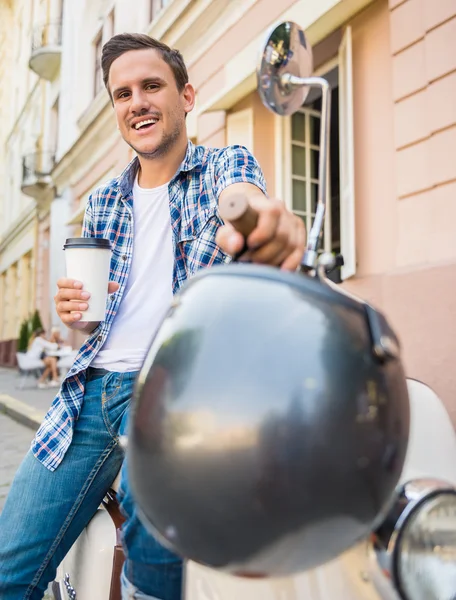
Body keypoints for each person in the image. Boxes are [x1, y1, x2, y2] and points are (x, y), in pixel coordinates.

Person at [0, 33, 306, 600]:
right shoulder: (102, 201)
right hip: (86, 396)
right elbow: (105, 310)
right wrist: (78, 317)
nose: (136, 102)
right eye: (122, 94)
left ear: (186, 96)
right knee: (9, 570)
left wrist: (269, 224)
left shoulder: (224, 165)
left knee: (152, 546)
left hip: (172, 387)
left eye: (151, 86)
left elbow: (247, 204)